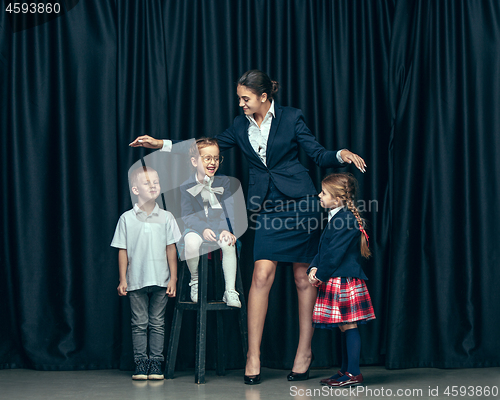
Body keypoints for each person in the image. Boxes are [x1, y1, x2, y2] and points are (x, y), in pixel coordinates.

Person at [129, 69, 367, 384]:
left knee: (302, 279)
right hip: (267, 207)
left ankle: (304, 353)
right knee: (261, 275)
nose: (241, 104)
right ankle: (252, 354)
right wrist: (161, 143)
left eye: (246, 98)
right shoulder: (240, 126)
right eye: (240, 98)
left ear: (264, 97)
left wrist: (341, 154)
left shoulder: (291, 118)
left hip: (301, 203)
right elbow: (205, 146)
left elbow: (317, 153)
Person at [111, 166, 181, 380]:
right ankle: (141, 363)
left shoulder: (167, 217)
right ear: (135, 189)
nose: (153, 186)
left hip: (161, 278)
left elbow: (172, 248)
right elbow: (122, 250)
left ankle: (156, 363)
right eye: (147, 182)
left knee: (158, 322)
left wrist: (173, 278)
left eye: (156, 182)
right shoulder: (126, 218)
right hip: (136, 279)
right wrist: (123, 279)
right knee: (139, 323)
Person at [308, 173, 375, 387]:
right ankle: (345, 371)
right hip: (334, 277)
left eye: (324, 193)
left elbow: (334, 254)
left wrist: (319, 275)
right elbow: (324, 250)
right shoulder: (337, 216)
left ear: (337, 199)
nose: (319, 195)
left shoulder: (345, 219)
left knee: (348, 325)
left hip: (343, 279)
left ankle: (353, 373)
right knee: (343, 326)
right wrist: (314, 267)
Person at [179, 137, 240, 307]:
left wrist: (226, 229)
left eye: (216, 158)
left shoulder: (224, 182)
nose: (213, 162)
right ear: (194, 161)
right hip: (195, 228)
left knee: (228, 243)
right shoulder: (186, 186)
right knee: (191, 242)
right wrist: (203, 228)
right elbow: (187, 215)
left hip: (219, 228)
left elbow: (229, 211)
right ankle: (195, 281)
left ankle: (230, 290)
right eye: (207, 158)